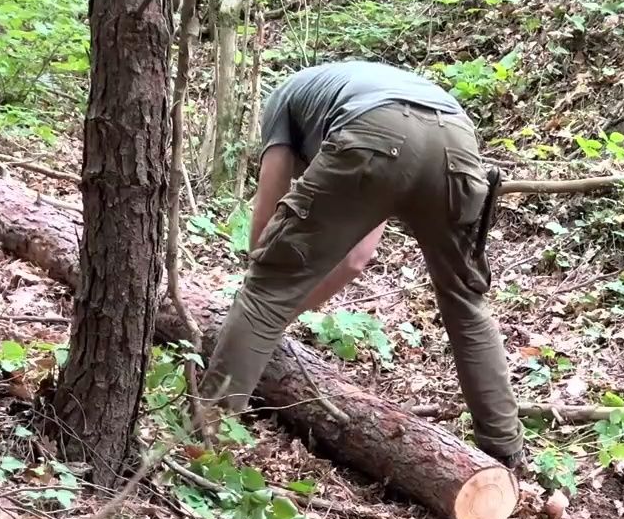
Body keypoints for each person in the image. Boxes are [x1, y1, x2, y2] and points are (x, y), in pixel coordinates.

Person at [198, 59, 528, 474]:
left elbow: (266, 212)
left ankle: (209, 436)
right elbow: (357, 257)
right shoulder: (349, 91)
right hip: (457, 142)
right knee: (465, 302)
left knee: (265, 288)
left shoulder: (281, 101)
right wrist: (282, 315)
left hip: (378, 133)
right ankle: (505, 450)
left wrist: (263, 305)